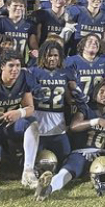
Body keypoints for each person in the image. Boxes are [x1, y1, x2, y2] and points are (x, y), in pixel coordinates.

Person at [21, 41, 87, 188]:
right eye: (48, 55)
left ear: (60, 57)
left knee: (65, 157)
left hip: (58, 124)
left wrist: (78, 94)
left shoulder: (65, 72)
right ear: (42, 56)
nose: (52, 59)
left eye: (55, 56)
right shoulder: (33, 71)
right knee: (32, 160)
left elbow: (71, 95)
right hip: (39, 121)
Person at [0, 0, 35, 64]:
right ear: (8, 7)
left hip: (20, 63)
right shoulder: (0, 22)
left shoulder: (29, 25)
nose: (18, 8)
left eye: (21, 6)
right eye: (15, 5)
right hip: (3, 62)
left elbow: (33, 47)